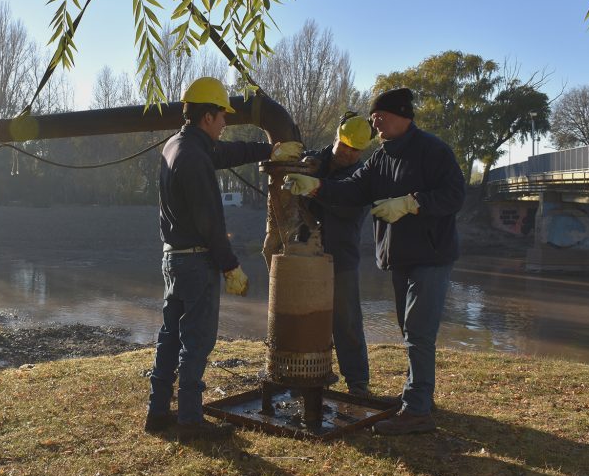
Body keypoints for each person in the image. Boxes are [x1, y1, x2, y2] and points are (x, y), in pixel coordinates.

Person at [284, 87, 465, 435]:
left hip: (431, 256)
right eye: (374, 119)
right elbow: (352, 189)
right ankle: (417, 397)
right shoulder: (382, 157)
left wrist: (411, 203)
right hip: (399, 257)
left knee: (419, 332)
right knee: (410, 330)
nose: (375, 124)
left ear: (403, 117)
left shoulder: (433, 151)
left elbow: (454, 195)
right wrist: (315, 186)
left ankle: (417, 410)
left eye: (381, 118)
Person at [146, 76, 303, 439]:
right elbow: (209, 222)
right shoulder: (194, 157)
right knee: (196, 341)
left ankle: (158, 413)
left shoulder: (178, 145)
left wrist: (269, 150)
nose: (226, 123)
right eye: (222, 117)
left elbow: (227, 153)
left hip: (173, 258)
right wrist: (230, 265)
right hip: (197, 261)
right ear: (207, 118)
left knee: (170, 336)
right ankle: (189, 420)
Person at [302, 112, 373, 397]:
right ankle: (305, 375)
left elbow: (349, 205)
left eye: (355, 150)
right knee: (304, 317)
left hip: (341, 257)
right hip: (306, 256)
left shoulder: (362, 176)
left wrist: (316, 189)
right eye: (344, 145)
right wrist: (303, 165)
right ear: (336, 138)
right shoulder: (316, 160)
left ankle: (357, 382)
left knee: (347, 322)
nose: (347, 153)